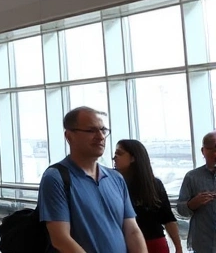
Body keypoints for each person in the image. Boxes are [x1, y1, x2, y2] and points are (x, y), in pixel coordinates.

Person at [38, 107, 147, 253]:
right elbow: (60, 238)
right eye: (91, 130)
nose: (101, 136)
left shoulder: (116, 178)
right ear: (69, 136)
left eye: (103, 130)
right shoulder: (55, 178)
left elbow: (132, 230)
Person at [112, 139, 182, 253]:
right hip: (124, 244)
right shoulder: (111, 183)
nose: (114, 158)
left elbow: (168, 218)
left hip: (154, 243)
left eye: (119, 153)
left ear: (133, 158)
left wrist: (178, 247)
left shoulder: (154, 185)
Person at [177, 130, 216, 253]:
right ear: (203, 151)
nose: (215, 154)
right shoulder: (192, 177)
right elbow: (180, 209)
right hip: (203, 243)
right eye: (211, 149)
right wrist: (192, 204)